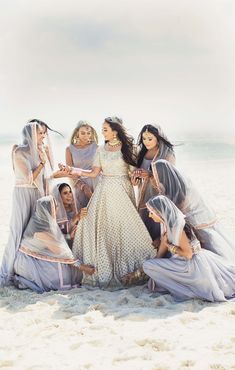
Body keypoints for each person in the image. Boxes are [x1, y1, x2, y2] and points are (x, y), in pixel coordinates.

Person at [59, 116, 155, 289]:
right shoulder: (101, 149)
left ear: (115, 131)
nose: (101, 132)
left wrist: (136, 179)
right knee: (104, 229)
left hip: (123, 191)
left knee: (124, 228)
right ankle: (103, 267)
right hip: (104, 191)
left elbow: (134, 179)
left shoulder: (129, 148)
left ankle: (132, 271)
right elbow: (93, 173)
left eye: (105, 129)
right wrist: (71, 170)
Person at [143, 195, 235, 302]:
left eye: (151, 212)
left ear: (160, 213)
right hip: (179, 262)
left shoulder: (177, 227)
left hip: (191, 265)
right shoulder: (165, 225)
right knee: (148, 265)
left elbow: (188, 254)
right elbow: (160, 254)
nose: (150, 216)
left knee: (148, 265)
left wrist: (169, 246)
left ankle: (186, 289)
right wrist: (148, 268)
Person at [0, 121, 53, 286]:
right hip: (23, 194)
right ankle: (8, 271)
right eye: (40, 133)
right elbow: (29, 178)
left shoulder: (41, 151)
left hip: (37, 194)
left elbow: (46, 176)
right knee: (18, 230)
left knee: (34, 233)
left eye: (44, 133)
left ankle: (28, 271)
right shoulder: (19, 151)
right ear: (30, 134)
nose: (43, 136)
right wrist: (42, 163)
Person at [152, 159, 235, 261]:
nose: (154, 179)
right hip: (192, 225)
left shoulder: (178, 192)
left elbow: (174, 218)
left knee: (210, 254)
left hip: (194, 224)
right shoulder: (175, 186)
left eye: (155, 176)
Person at [13, 195, 95, 293]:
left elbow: (53, 242)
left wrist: (69, 237)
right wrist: (82, 267)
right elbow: (60, 251)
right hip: (28, 263)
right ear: (48, 210)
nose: (57, 209)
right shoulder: (39, 230)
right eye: (55, 207)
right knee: (64, 270)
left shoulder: (42, 222)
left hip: (35, 257)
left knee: (66, 266)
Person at [131, 124, 175, 241]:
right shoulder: (141, 153)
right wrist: (135, 178)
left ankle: (161, 252)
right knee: (145, 226)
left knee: (158, 225)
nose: (146, 142)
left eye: (150, 139)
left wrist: (150, 175)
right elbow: (135, 181)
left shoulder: (167, 154)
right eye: (144, 139)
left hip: (159, 196)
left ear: (158, 138)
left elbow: (170, 179)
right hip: (144, 196)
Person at [66, 121, 99, 210]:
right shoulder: (69, 149)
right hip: (79, 184)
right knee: (83, 213)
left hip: (96, 182)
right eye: (83, 133)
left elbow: (100, 168)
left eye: (88, 133)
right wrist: (82, 186)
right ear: (77, 133)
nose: (86, 136)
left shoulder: (95, 147)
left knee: (97, 211)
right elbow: (69, 171)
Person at [52, 182, 88, 247]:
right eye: (65, 193)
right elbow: (60, 232)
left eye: (70, 192)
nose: (69, 195)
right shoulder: (56, 211)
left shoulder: (76, 207)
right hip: (63, 244)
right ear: (59, 196)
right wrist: (76, 217)